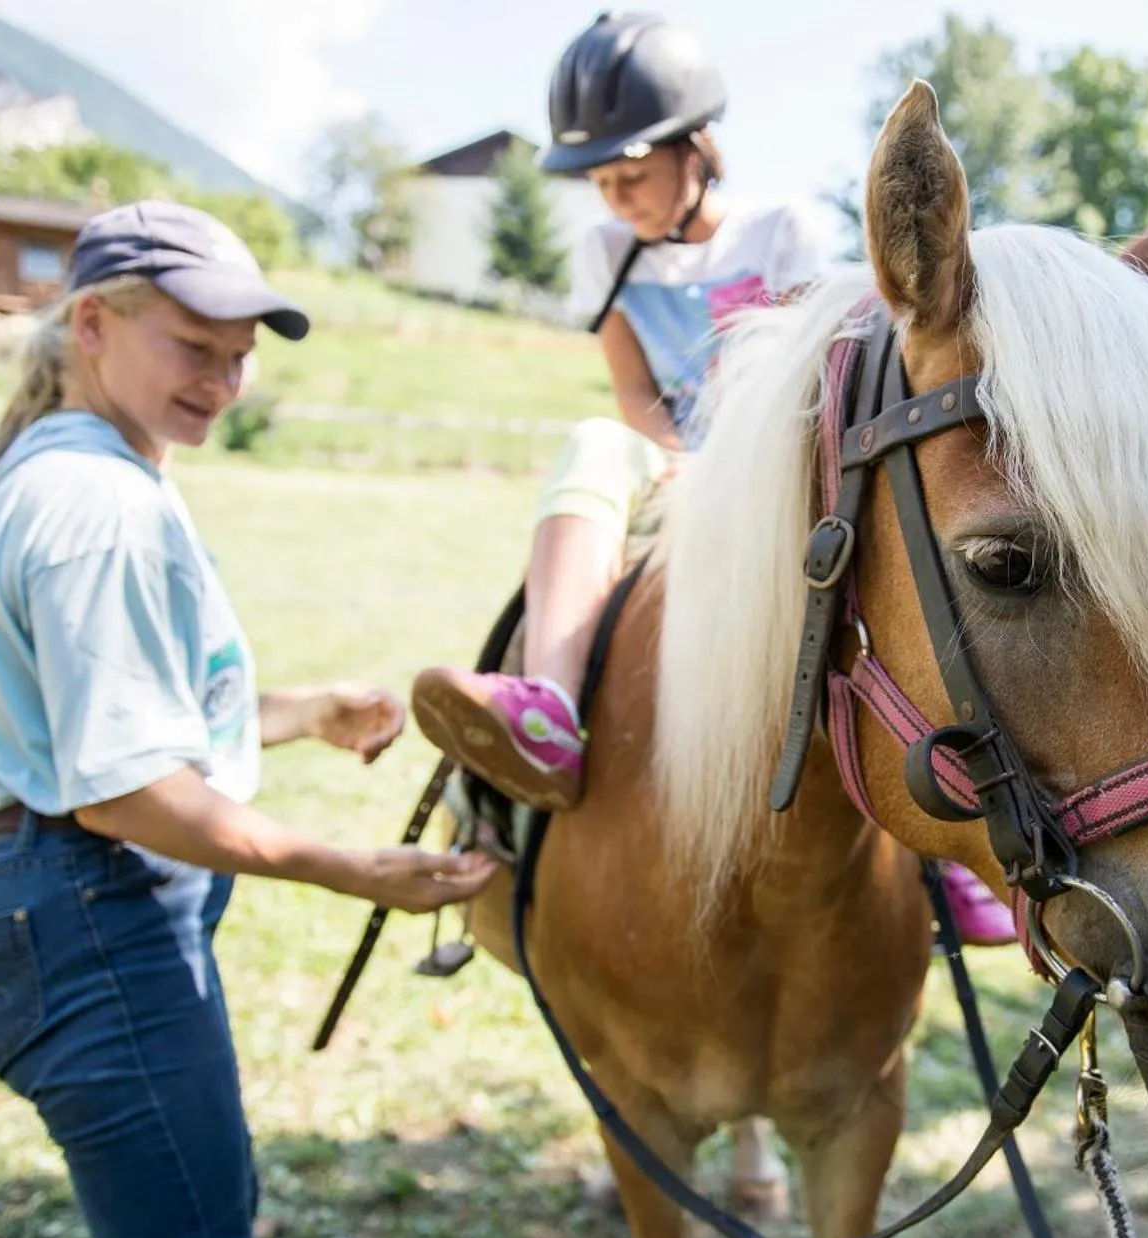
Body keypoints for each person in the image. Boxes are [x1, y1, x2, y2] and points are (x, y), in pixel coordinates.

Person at [0, 200, 493, 1238]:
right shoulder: (99, 504)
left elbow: (108, 717)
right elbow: (125, 791)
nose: (223, 382)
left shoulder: (83, 468)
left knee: (205, 1210)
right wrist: (350, 868)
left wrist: (294, 713)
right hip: (94, 920)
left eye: (238, 357)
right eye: (194, 347)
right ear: (91, 323)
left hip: (78, 911)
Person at [410, 12, 1016, 945]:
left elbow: (822, 377)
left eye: (633, 173)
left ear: (698, 148)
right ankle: (549, 709)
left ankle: (944, 852)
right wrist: (682, 462)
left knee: (890, 616)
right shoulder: (602, 258)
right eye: (600, 182)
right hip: (675, 455)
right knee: (592, 443)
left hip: (776, 465)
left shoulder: (779, 234)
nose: (618, 198)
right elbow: (630, 391)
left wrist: (735, 467)